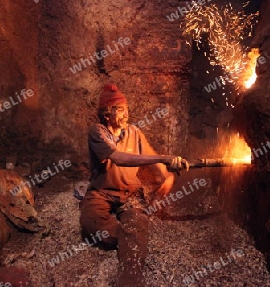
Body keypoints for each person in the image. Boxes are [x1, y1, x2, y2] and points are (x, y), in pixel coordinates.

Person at [79, 83, 189, 286]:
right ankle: (131, 238)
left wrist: (168, 174)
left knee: (136, 221)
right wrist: (167, 157)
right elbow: (118, 158)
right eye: (120, 110)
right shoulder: (98, 132)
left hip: (130, 193)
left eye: (126, 109)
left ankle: (129, 279)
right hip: (101, 192)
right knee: (90, 224)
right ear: (106, 113)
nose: (126, 114)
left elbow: (153, 158)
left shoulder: (134, 132)